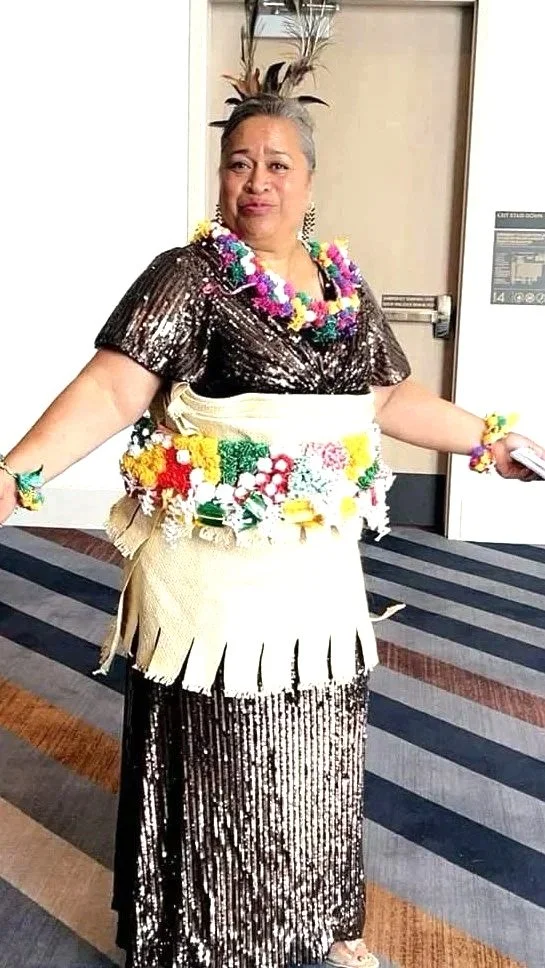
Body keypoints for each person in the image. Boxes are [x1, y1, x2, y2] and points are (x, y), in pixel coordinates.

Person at [0, 34, 542, 968]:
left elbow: (385, 398)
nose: (257, 180)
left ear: (309, 179)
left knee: (316, 748)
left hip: (314, 574)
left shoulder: (342, 285)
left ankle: (315, 925)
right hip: (211, 579)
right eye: (239, 163)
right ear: (220, 179)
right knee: (224, 749)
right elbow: (113, 390)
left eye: (277, 163)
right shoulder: (189, 276)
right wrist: (15, 474)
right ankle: (202, 940)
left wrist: (488, 437)